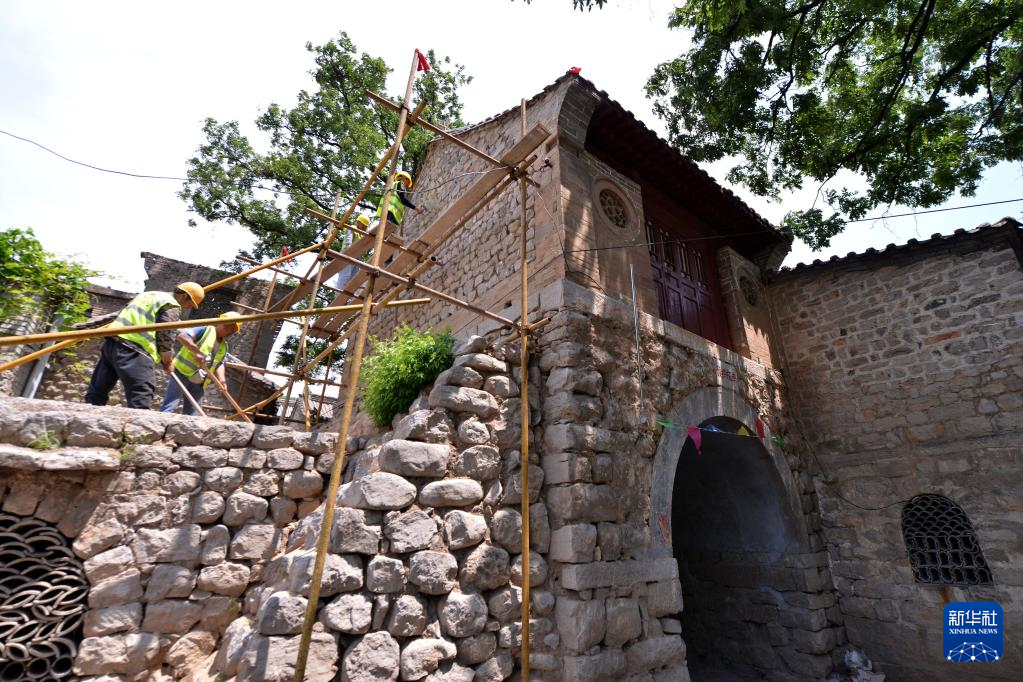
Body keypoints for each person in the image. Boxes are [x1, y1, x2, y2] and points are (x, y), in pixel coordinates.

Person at [85, 283, 204, 409]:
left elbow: (172, 327)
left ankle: (88, 414)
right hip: (134, 349)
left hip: (112, 344)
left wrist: (194, 348)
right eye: (191, 303)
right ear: (184, 295)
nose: (190, 307)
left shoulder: (149, 296)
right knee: (141, 393)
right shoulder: (171, 304)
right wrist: (168, 361)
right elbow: (166, 334)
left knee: (98, 391)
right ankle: (139, 422)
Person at [161, 312, 242, 415]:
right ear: (222, 322)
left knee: (193, 415)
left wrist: (222, 380)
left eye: (234, 330)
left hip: (199, 381)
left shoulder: (224, 346)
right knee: (169, 406)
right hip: (182, 373)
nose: (230, 331)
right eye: (230, 327)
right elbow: (182, 336)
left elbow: (219, 363)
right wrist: (196, 351)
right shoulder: (205, 330)